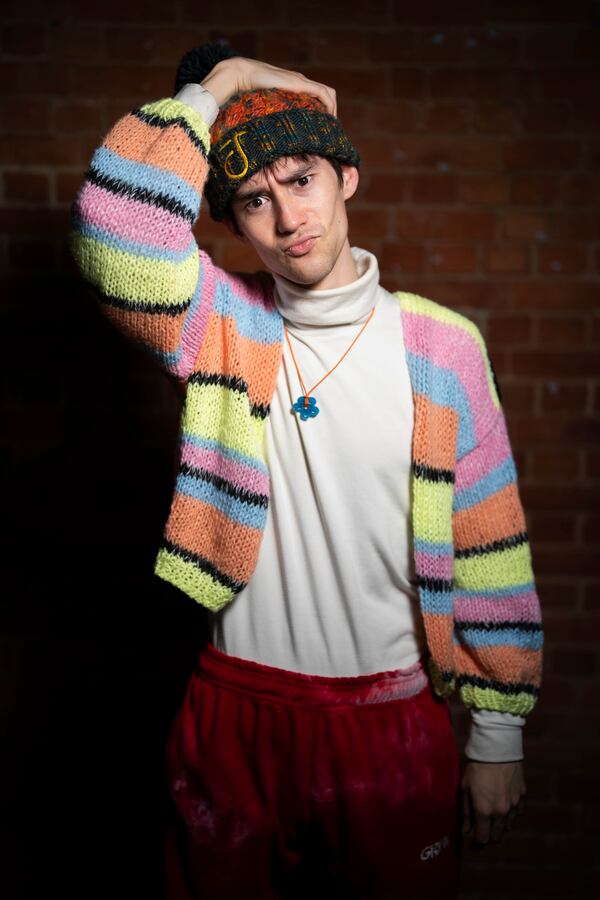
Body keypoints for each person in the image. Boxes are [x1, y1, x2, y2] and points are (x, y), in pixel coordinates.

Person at [68, 42, 544, 900]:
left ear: (345, 179)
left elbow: (489, 542)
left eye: (301, 179)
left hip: (395, 724)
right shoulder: (222, 324)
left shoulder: (441, 349)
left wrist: (498, 736)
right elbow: (116, 235)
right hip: (235, 718)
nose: (289, 219)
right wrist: (222, 85)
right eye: (254, 200)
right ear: (234, 224)